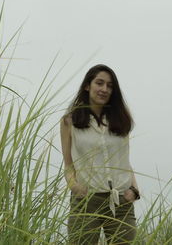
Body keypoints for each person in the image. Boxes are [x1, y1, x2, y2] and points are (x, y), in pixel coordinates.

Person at [60, 64, 140, 245]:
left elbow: (124, 161)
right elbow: (68, 164)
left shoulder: (121, 120)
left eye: (110, 86)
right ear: (87, 86)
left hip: (121, 201)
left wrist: (134, 190)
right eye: (99, 83)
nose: (104, 89)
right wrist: (75, 187)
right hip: (87, 200)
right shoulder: (69, 121)